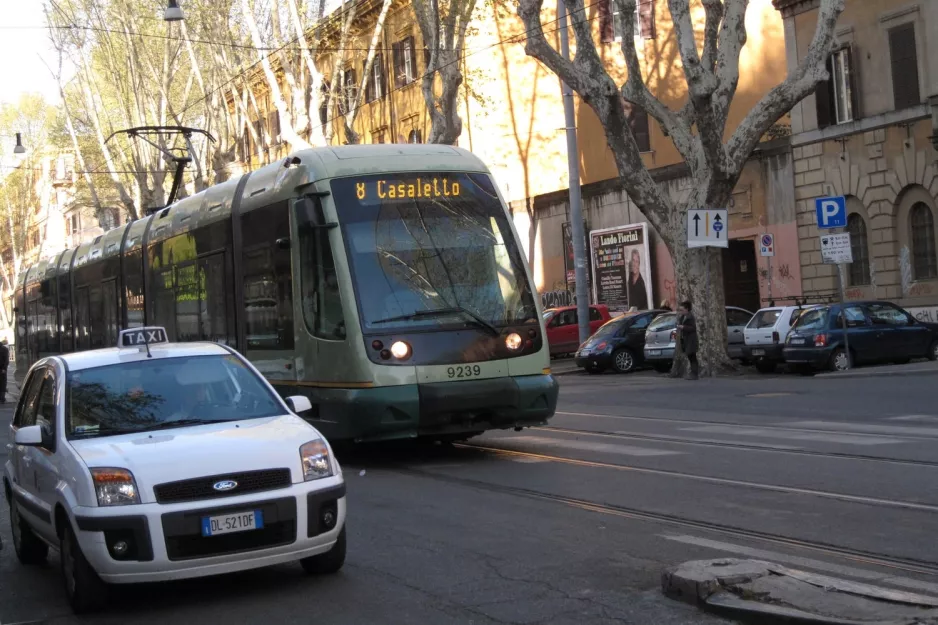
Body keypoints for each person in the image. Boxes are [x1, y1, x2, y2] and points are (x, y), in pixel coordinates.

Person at [676, 300, 699, 380]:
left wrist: (683, 327)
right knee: (690, 356)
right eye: (680, 310)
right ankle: (693, 372)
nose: (681, 311)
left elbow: (693, 328)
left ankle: (694, 373)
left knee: (692, 356)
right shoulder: (682, 317)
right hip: (685, 340)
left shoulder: (690, 317)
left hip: (691, 340)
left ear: (687, 309)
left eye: (682, 310)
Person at [0, 338, 9, 403]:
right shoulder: (4, 349)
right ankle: (2, 397)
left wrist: (4, 368)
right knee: (3, 383)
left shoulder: (4, 349)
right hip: (2, 369)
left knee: (2, 383)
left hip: (2, 369)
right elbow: (6, 360)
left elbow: (6, 360)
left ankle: (2, 397)